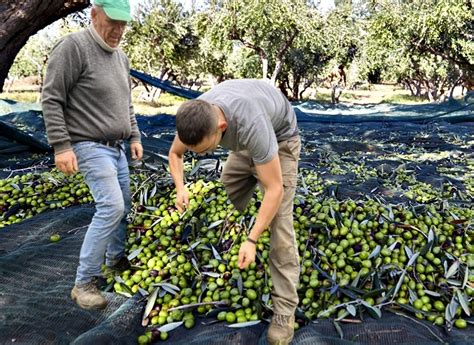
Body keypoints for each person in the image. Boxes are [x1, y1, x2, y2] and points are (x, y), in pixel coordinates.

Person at [168, 79, 301, 345]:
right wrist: (180, 187)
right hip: (246, 140)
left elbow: (275, 189)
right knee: (229, 184)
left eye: (206, 150)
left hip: (280, 138)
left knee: (280, 224)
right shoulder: (198, 115)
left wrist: (252, 240)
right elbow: (175, 153)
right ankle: (242, 231)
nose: (202, 155)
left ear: (222, 128)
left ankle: (285, 312)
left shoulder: (251, 124)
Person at [42, 0, 143, 310]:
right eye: (113, 22)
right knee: (111, 206)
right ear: (94, 14)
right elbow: (51, 98)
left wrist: (135, 135)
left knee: (123, 206)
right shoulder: (73, 47)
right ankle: (83, 283)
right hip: (88, 144)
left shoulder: (121, 58)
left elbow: (126, 104)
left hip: (117, 148)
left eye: (124, 24)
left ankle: (115, 261)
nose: (119, 30)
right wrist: (61, 145)